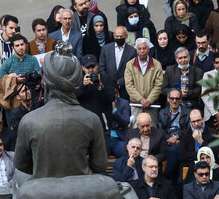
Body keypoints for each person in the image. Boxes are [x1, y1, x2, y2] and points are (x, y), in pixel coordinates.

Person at [14, 44, 108, 178]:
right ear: (76, 81)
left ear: (45, 81)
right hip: (80, 190)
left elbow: (22, 164)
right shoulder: (91, 119)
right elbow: (100, 165)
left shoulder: (29, 121)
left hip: (44, 189)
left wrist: (44, 169)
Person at [75, 54, 115, 146]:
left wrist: (100, 86)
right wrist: (83, 86)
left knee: (103, 156)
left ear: (97, 65)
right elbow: (72, 98)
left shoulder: (106, 78)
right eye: (87, 67)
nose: (90, 70)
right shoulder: (78, 81)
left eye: (92, 66)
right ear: (82, 67)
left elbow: (111, 98)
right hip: (83, 126)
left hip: (102, 126)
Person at [124, 38, 163, 122]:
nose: (142, 51)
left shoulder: (156, 64)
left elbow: (158, 85)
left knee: (151, 128)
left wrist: (149, 100)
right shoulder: (130, 65)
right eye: (139, 48)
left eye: (144, 48)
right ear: (136, 50)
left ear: (148, 49)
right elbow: (129, 85)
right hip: (136, 104)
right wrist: (141, 99)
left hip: (152, 105)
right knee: (136, 129)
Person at [157, 88, 191, 178]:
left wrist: (177, 137)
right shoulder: (162, 113)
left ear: (181, 99)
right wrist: (168, 140)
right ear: (168, 99)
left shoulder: (187, 113)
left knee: (173, 151)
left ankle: (167, 177)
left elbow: (189, 131)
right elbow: (160, 131)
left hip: (182, 142)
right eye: (172, 98)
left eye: (177, 98)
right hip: (167, 142)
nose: (174, 101)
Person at [99, 26, 136, 96]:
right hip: (107, 87)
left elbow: (132, 71)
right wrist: (109, 83)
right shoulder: (106, 49)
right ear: (113, 36)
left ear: (126, 36)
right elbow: (101, 68)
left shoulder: (132, 51)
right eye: (117, 36)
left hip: (124, 89)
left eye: (121, 36)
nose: (119, 38)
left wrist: (119, 83)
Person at [201, 52, 219, 129]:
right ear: (213, 63)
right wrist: (216, 113)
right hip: (210, 114)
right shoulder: (207, 75)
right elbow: (204, 96)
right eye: (217, 63)